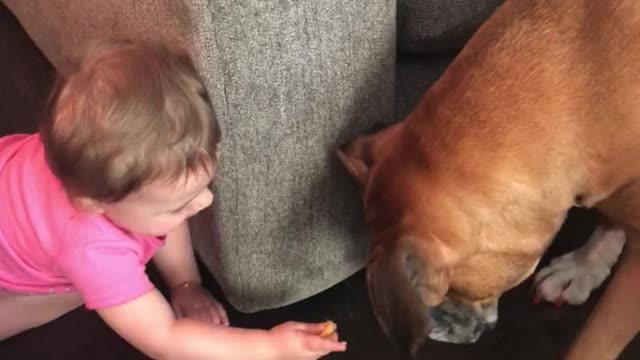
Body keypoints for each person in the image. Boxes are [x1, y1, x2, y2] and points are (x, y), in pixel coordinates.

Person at [0, 39, 346, 360]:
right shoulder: (94, 254)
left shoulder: (101, 166)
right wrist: (269, 347)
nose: (206, 202)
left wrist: (185, 284)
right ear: (95, 203)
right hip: (13, 265)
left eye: (203, 187)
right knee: (73, 295)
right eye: (178, 205)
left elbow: (164, 223)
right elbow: (163, 338)